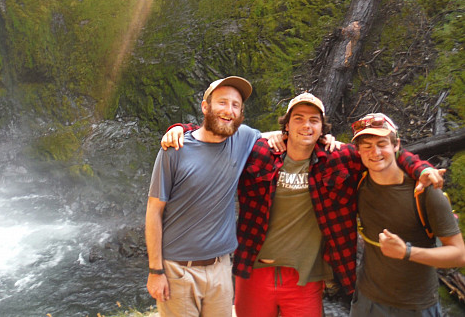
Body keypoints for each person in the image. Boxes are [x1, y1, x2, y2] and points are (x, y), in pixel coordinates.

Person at [162, 92, 443, 317]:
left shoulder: (338, 158)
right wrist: (180, 129)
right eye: (298, 118)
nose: (306, 126)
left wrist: (419, 169)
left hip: (306, 279)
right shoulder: (259, 152)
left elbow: (383, 152)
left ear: (322, 128)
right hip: (253, 272)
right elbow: (217, 132)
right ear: (287, 125)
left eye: (313, 120)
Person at [146, 76, 266, 317]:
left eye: (235, 105)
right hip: (177, 271)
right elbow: (154, 211)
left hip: (221, 268)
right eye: (222, 102)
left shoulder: (243, 139)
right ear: (205, 106)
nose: (228, 110)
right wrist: (155, 271)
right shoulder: (175, 150)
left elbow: (286, 137)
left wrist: (323, 138)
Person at [350, 113, 465, 316]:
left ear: (396, 145)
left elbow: (459, 255)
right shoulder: (358, 184)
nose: (375, 152)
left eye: (382, 143)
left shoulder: (425, 191)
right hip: (366, 301)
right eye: (367, 145)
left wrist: (407, 252)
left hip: (416, 305)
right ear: (358, 151)